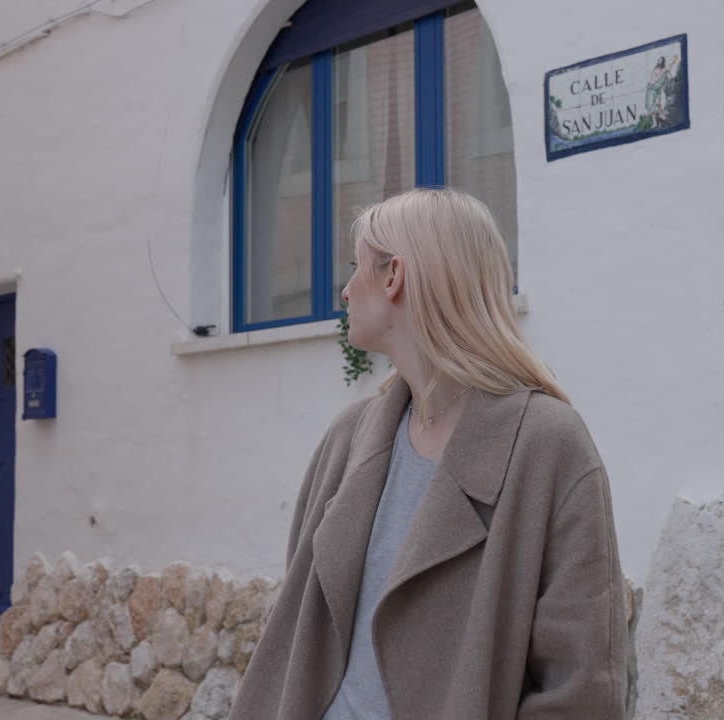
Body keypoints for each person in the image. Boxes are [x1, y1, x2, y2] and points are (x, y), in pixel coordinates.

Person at [227, 187, 627, 720]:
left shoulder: (547, 445)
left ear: (394, 276)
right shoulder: (347, 439)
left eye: (356, 268)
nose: (345, 290)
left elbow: (580, 686)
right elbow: (301, 629)